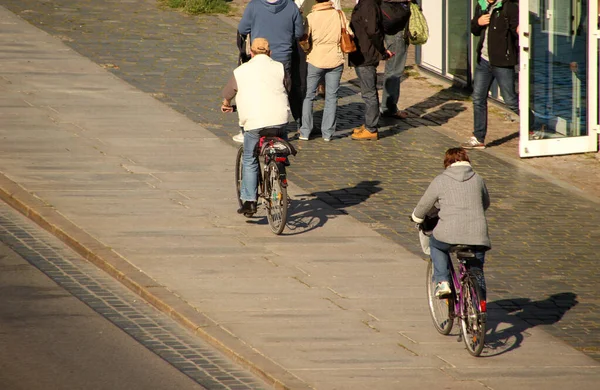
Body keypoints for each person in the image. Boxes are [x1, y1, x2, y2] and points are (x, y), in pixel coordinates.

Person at [221, 38, 291, 215]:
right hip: (279, 118)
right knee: (281, 134)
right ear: (270, 53)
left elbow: (228, 93)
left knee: (250, 158)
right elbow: (287, 88)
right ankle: (281, 159)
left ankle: (250, 202)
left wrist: (226, 102)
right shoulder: (279, 67)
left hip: (254, 122)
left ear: (251, 53)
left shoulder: (241, 71)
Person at [411, 147, 490, 299]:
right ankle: (480, 305)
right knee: (477, 270)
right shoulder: (478, 179)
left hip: (448, 234)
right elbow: (485, 203)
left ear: (447, 163)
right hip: (478, 235)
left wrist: (416, 217)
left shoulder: (441, 180)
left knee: (436, 245)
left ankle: (442, 281)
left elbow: (423, 206)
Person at [237, 0, 304, 140]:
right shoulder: (291, 7)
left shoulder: (254, 6)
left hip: (259, 56)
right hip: (283, 57)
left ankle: (252, 128)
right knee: (282, 90)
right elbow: (298, 33)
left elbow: (243, 29)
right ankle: (283, 128)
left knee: (256, 91)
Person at [461, 0, 519, 150]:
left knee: (511, 100)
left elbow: (517, 31)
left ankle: (533, 123)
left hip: (502, 62)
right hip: (484, 61)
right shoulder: (481, 5)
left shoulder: (509, 7)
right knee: (478, 98)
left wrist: (520, 29)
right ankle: (478, 137)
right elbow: (474, 30)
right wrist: (478, 22)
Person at [298, 0, 351, 141]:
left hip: (316, 58)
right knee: (331, 97)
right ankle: (327, 133)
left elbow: (304, 38)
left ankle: (305, 131)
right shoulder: (339, 14)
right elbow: (350, 32)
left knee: (309, 96)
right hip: (335, 58)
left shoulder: (312, 17)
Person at [348, 0, 394, 141]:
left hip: (366, 55)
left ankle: (371, 128)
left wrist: (382, 51)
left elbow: (373, 31)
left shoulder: (368, 4)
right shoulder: (366, 3)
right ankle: (369, 124)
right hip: (362, 54)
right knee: (367, 92)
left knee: (369, 93)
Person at [380, 0, 412, 119]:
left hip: (390, 19)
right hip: (395, 23)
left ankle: (388, 106)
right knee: (394, 68)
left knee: (393, 68)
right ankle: (388, 107)